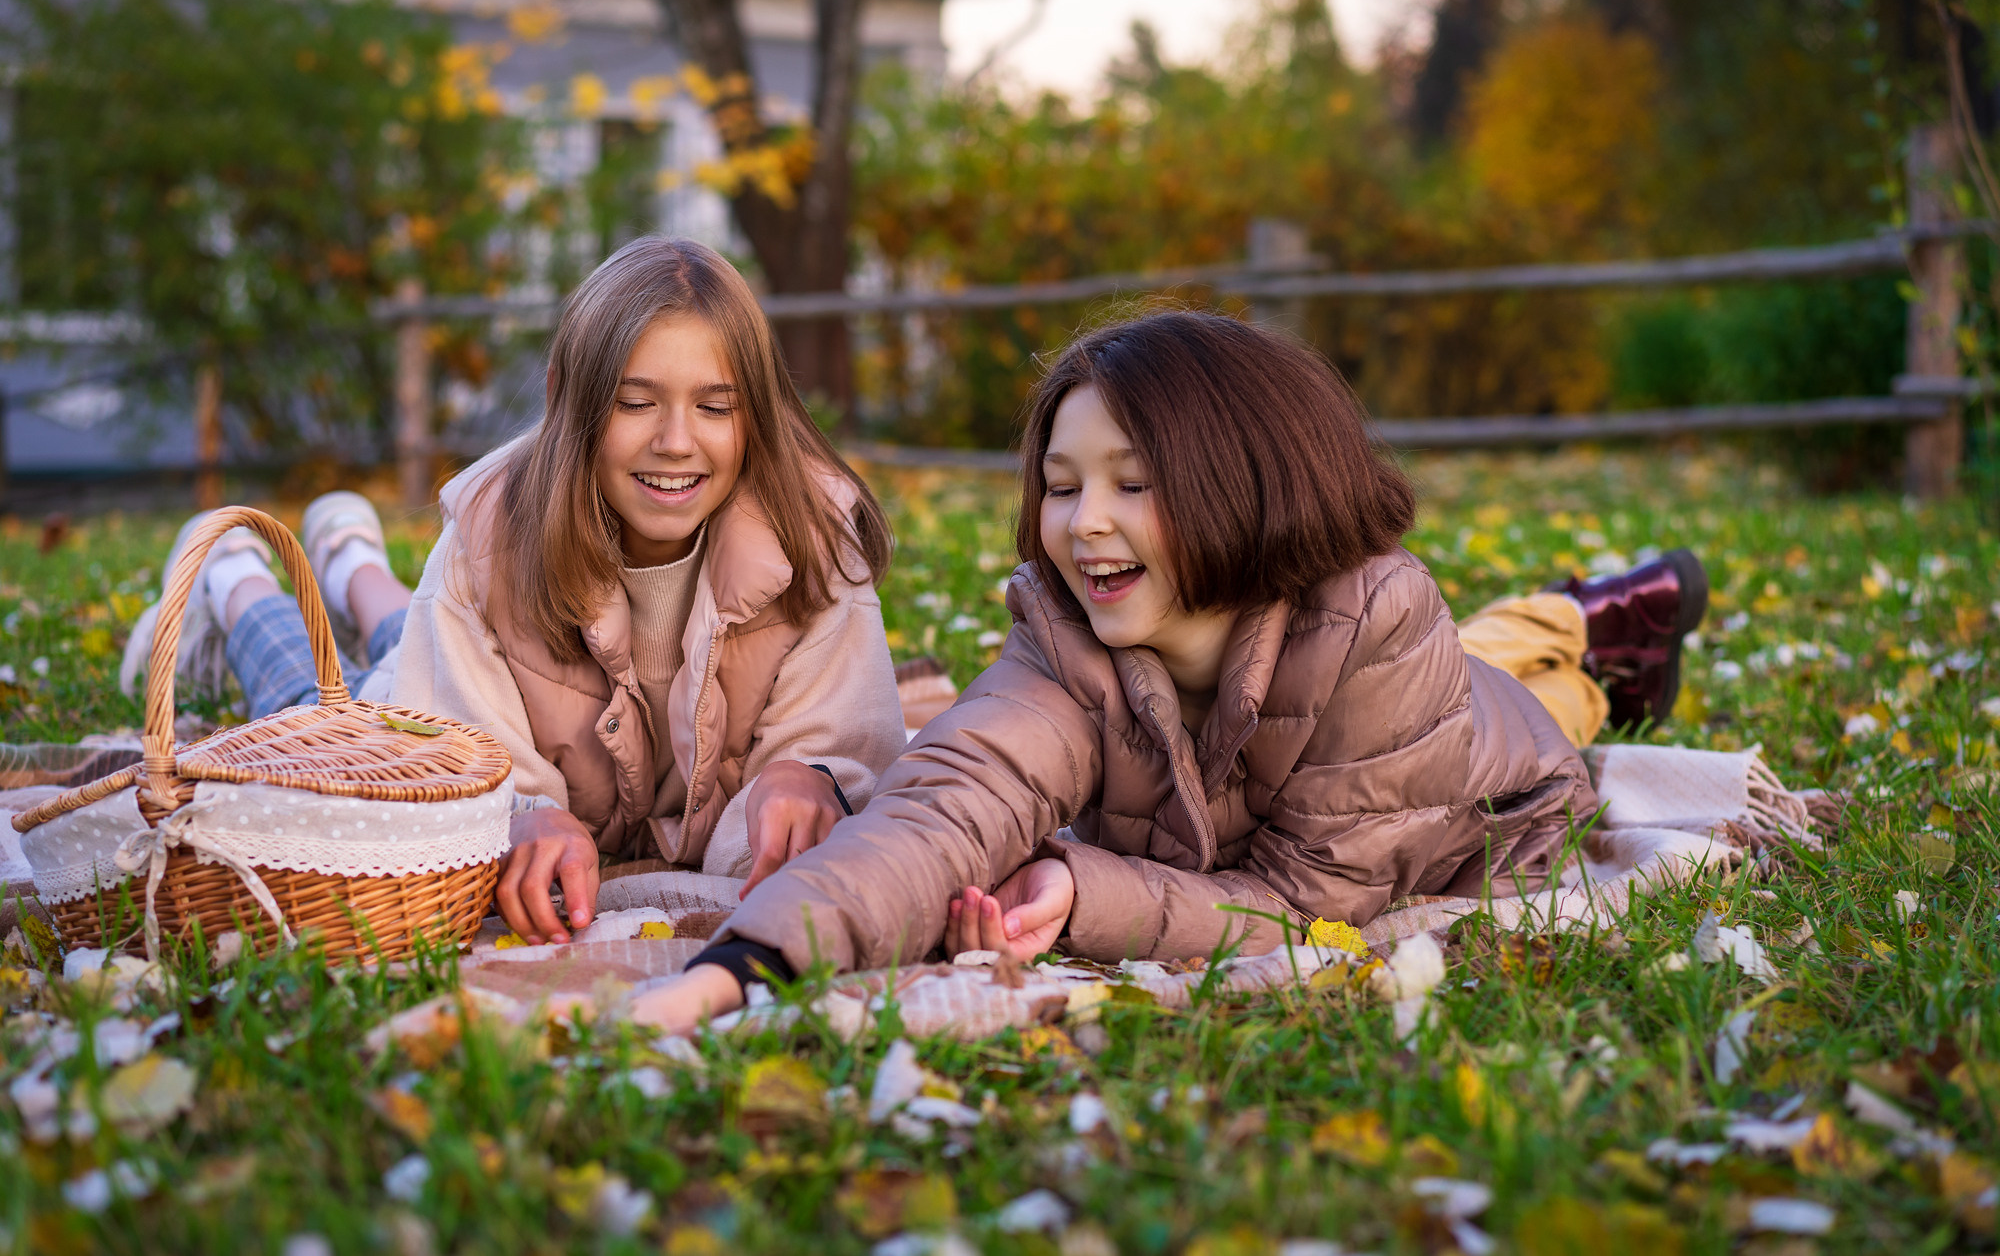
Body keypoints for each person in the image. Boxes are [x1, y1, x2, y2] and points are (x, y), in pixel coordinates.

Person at [633, 309, 1706, 1031]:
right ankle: (1590, 614)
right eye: (1059, 485)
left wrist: (1080, 887)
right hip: (1417, 696)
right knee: (1482, 662)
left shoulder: (1378, 619)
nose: (1083, 523)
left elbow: (1306, 906)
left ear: (1242, 482)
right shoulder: (1066, 637)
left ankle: (1595, 631)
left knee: (1545, 695)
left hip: (1481, 792)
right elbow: (941, 809)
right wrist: (739, 965)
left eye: (1131, 481)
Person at [120, 237, 908, 946]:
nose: (676, 440)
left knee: (407, 631)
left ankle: (350, 553)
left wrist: (811, 779)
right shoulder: (489, 538)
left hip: (439, 642)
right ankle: (235, 579)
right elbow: (457, 759)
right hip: (424, 700)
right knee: (322, 710)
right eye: (635, 403)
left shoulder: (812, 540)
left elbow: (847, 744)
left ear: (755, 413)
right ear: (571, 395)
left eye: (714, 406)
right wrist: (523, 815)